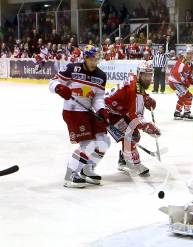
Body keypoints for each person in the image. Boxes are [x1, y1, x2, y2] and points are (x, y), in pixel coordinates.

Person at [49, 45, 110, 188]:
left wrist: (101, 110)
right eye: (93, 59)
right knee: (88, 145)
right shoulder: (72, 68)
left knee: (104, 141)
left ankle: (87, 170)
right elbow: (52, 82)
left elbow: (98, 97)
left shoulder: (101, 76)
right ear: (86, 58)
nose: (95, 62)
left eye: (97, 59)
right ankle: (70, 175)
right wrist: (59, 87)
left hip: (88, 111)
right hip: (72, 110)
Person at [104, 61, 161, 176]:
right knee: (130, 135)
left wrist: (147, 98)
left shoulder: (136, 82)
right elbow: (136, 115)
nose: (149, 78)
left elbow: (135, 97)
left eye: (150, 75)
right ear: (139, 74)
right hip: (107, 112)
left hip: (117, 111)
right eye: (146, 75)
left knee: (133, 135)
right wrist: (146, 126)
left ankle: (124, 160)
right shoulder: (135, 89)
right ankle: (132, 163)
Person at [168, 46, 193, 120]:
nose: (190, 55)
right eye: (188, 53)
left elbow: (189, 76)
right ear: (185, 54)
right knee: (188, 96)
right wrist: (185, 82)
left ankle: (177, 113)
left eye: (192, 54)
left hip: (178, 83)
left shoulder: (191, 65)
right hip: (174, 82)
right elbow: (177, 73)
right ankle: (186, 113)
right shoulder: (182, 62)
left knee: (182, 97)